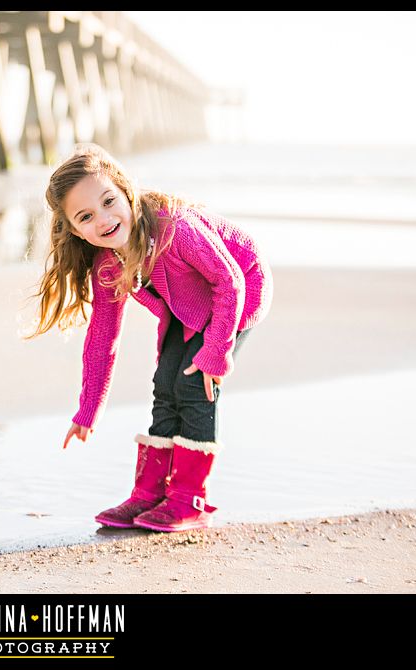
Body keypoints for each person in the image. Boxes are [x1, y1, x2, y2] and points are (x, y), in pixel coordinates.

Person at [22, 143, 273, 532]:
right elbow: (103, 336)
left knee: (192, 384)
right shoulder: (108, 263)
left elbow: (231, 281)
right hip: (187, 304)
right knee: (164, 384)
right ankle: (150, 492)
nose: (103, 219)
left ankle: (189, 498)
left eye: (108, 201)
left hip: (238, 291)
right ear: (75, 230)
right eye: (86, 216)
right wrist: (88, 409)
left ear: (125, 190)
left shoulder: (176, 230)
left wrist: (216, 353)